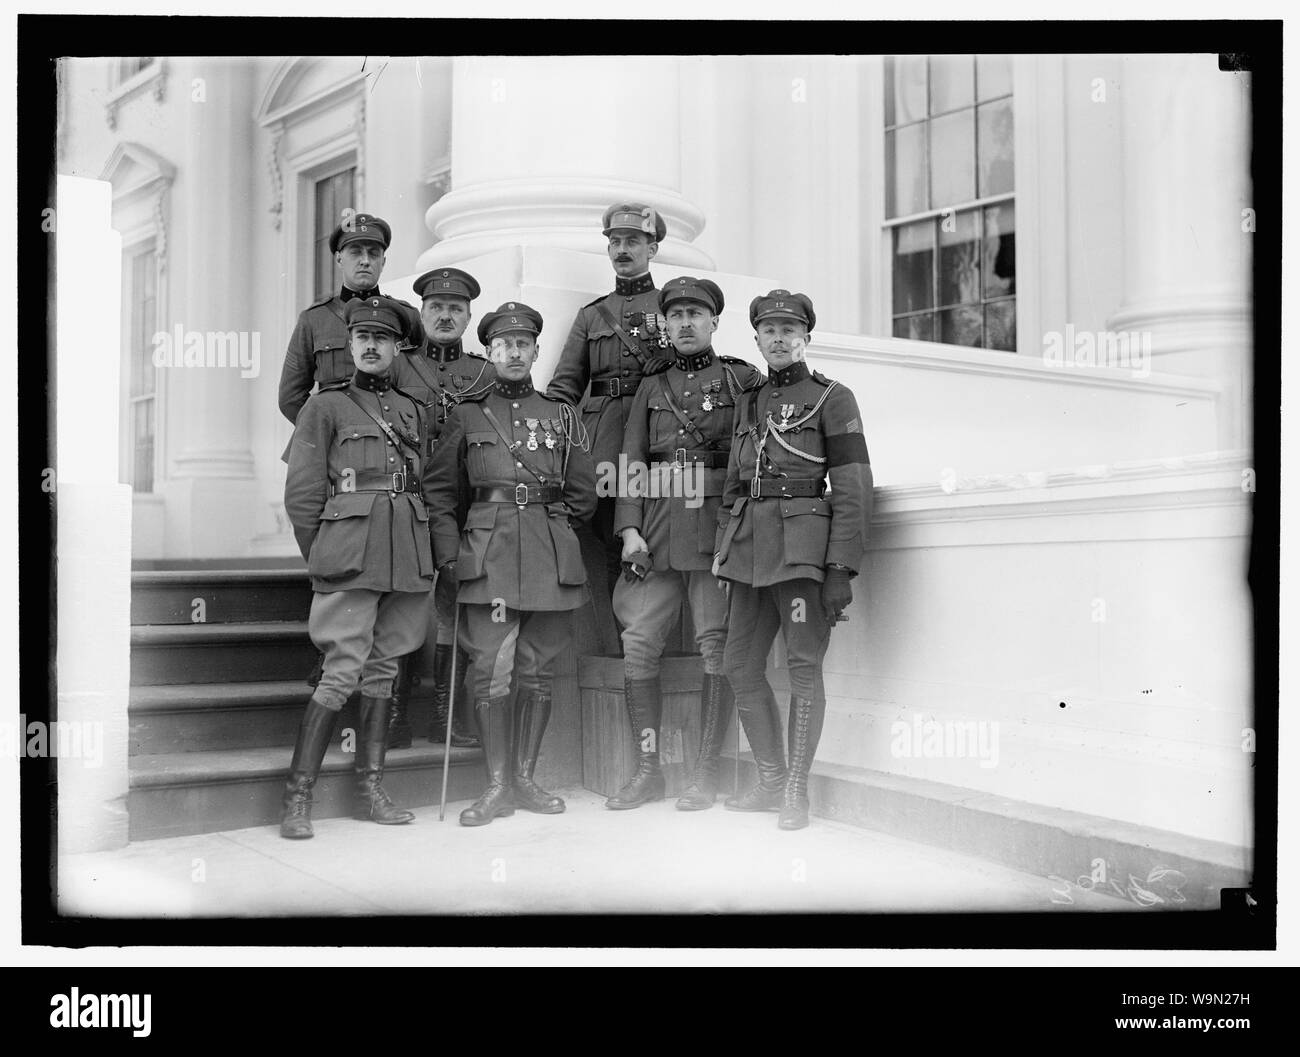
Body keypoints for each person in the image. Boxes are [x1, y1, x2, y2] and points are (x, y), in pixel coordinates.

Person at [429, 302, 596, 826]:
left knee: (538, 672)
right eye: (504, 345)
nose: (515, 353)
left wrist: (555, 525)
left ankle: (524, 779)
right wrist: (450, 553)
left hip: (549, 555)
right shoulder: (466, 415)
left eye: (524, 344)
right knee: (490, 673)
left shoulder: (561, 414)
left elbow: (584, 490)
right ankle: (496, 785)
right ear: (490, 352)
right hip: (488, 555)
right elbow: (440, 494)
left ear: (536, 351)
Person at [713, 290, 873, 830]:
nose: (778, 338)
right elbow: (735, 486)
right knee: (739, 665)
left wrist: (840, 569)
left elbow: (853, 488)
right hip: (749, 556)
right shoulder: (748, 401)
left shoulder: (833, 397)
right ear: (755, 337)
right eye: (769, 329)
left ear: (806, 337)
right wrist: (724, 551)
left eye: (789, 329)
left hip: (802, 556)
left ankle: (796, 792)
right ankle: (770, 780)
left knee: (804, 669)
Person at [280, 295, 436, 839]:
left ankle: (371, 790)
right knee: (341, 669)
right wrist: (325, 554)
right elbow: (302, 496)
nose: (371, 346)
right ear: (350, 346)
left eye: (382, 339)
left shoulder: (412, 410)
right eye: (362, 338)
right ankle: (297, 798)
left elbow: (424, 485)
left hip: (407, 554)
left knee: (385, 667)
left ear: (398, 347)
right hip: (350, 554)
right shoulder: (323, 408)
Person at [607, 277, 763, 811]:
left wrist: (736, 535)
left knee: (714, 644)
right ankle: (649, 769)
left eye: (696, 314)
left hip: (715, 527)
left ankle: (706, 772)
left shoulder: (742, 380)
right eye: (676, 316)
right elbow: (630, 462)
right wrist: (628, 528)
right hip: (655, 526)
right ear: (666, 324)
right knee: (638, 641)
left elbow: (752, 462)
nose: (686, 324)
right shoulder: (652, 387)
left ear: (715, 322)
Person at [545, 204, 672, 650]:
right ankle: (610, 655)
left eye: (632, 241)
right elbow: (563, 389)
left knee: (653, 542)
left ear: (652, 248)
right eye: (615, 242)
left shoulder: (673, 307)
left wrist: (669, 363)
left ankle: (641, 651)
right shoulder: (593, 316)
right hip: (600, 448)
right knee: (600, 544)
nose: (622, 250)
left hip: (656, 443)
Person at [386, 267, 494, 751]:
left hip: (461, 506)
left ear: (468, 315)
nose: (445, 315)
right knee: (401, 603)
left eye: (455, 308)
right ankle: (393, 715)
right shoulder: (397, 366)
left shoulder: (485, 374)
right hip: (404, 501)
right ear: (422, 313)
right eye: (436, 308)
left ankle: (447, 716)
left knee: (453, 606)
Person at [277, 211, 422, 427]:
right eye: (356, 252)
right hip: (338, 446)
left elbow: (423, 385)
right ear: (339, 259)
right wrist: (328, 432)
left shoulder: (407, 316)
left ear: (383, 261)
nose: (365, 261)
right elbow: (290, 397)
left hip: (395, 443)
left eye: (373, 254)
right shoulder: (314, 319)